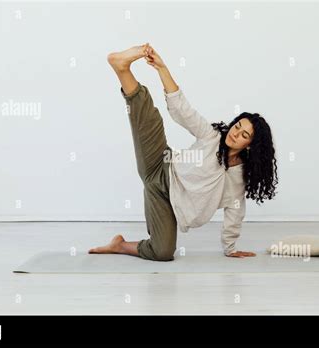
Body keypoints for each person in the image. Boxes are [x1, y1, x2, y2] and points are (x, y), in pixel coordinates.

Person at [89, 43, 278, 261]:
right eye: (237, 126)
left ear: (250, 146)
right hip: (160, 165)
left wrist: (230, 248)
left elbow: (235, 212)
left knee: (162, 253)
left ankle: (119, 245)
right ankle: (122, 67)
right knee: (149, 119)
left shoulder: (238, 178)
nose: (236, 134)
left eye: (245, 135)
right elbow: (182, 110)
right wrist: (162, 68)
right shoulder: (212, 136)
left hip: (167, 202)